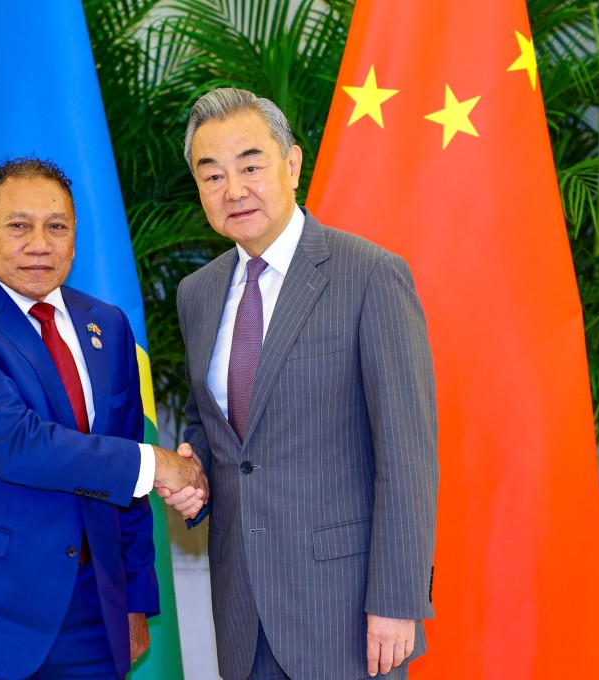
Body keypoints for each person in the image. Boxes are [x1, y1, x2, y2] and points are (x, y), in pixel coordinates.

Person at [160, 88, 439, 679]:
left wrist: (396, 601)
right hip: (241, 602)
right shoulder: (198, 293)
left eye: (251, 166)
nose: (234, 190)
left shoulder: (370, 275)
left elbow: (407, 454)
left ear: (292, 163)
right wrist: (193, 478)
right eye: (212, 176)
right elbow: (213, 428)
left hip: (346, 608)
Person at [0, 157, 207, 680]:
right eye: (18, 225)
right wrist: (157, 465)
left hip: (93, 613)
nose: (39, 243)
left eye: (57, 226)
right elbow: (17, 444)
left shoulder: (107, 326)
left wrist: (133, 601)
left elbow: (124, 481)